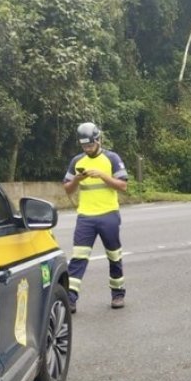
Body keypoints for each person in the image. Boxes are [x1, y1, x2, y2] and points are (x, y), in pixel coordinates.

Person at [63, 122, 128, 311]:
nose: (88, 149)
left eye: (90, 145)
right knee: (78, 257)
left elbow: (123, 186)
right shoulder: (77, 161)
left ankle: (118, 294)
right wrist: (77, 179)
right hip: (86, 216)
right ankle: (71, 298)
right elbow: (67, 190)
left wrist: (102, 175)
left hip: (109, 214)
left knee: (114, 256)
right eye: (84, 146)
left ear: (98, 140)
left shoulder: (112, 158)